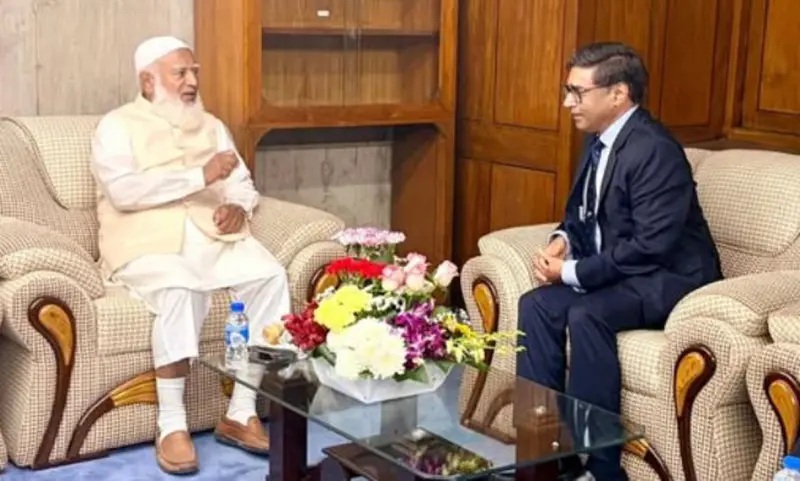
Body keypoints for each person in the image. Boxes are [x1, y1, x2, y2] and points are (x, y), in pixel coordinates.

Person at [516, 42, 721, 481]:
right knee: (536, 306)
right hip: (623, 273)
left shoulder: (653, 149)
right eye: (568, 90)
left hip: (668, 278)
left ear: (618, 93)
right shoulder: (597, 141)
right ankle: (541, 459)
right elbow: (582, 214)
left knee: (588, 313)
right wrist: (562, 242)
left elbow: (650, 245)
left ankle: (600, 467)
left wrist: (572, 273)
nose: (567, 103)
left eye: (577, 92)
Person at [90, 36, 290, 475]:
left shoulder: (211, 125)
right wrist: (200, 175)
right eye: (180, 73)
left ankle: (241, 410)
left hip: (212, 237)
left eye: (194, 72)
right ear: (148, 81)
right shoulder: (116, 126)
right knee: (181, 287)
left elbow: (241, 182)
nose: (192, 81)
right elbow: (124, 192)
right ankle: (172, 425)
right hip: (146, 241)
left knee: (271, 276)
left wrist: (239, 207)